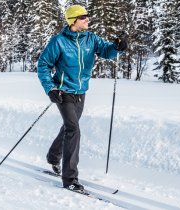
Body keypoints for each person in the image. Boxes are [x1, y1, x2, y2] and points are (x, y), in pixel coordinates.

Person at [37, 5, 127, 191]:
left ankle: (53, 157)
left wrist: (117, 47)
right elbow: (43, 65)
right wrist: (50, 88)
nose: (87, 19)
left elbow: (106, 50)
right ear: (73, 20)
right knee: (73, 129)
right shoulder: (59, 41)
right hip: (63, 92)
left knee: (70, 127)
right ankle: (69, 179)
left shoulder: (91, 38)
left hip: (81, 92)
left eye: (87, 16)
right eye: (83, 16)